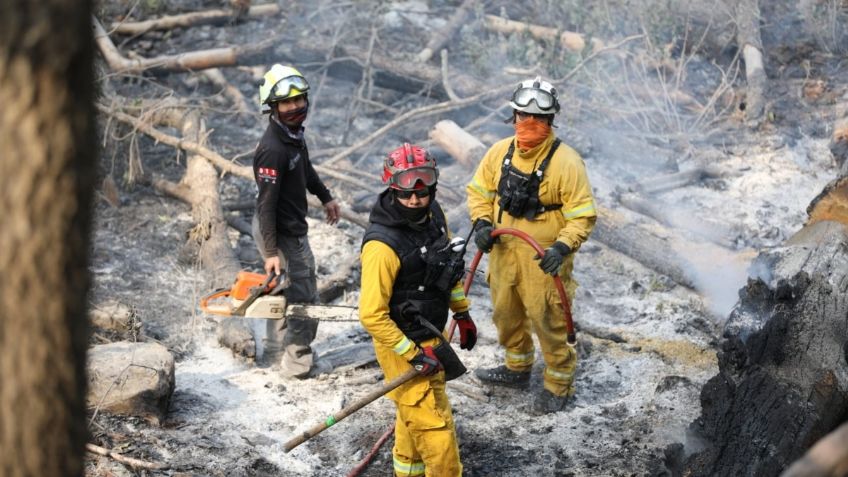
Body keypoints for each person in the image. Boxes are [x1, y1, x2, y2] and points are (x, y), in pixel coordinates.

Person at [466, 76, 596, 414]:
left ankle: (558, 384)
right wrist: (481, 222)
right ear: (513, 117)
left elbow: (582, 215)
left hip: (544, 259)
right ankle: (517, 368)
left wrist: (562, 248)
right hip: (504, 252)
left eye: (538, 118)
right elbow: (479, 192)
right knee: (505, 313)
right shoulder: (499, 153)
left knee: (548, 319)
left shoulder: (567, 162)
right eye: (523, 116)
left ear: (551, 121)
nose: (530, 124)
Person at [359, 144, 477, 477]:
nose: (414, 199)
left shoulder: (435, 218)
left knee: (414, 414)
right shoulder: (382, 246)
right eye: (406, 193)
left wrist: (462, 312)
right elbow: (371, 315)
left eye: (422, 191)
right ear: (392, 187)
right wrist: (411, 354)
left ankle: (407, 472)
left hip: (429, 335)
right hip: (402, 343)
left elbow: (447, 271)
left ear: (433, 186)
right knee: (436, 431)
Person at [252, 64, 341, 378]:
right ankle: (297, 363)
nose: (295, 107)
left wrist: (325, 196)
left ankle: (275, 353)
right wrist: (272, 252)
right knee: (304, 297)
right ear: (272, 107)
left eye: (299, 100)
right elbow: (266, 205)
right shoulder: (272, 150)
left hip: (284, 231)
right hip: (282, 233)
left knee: (282, 291)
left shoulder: (292, 136)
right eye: (287, 103)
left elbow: (306, 169)